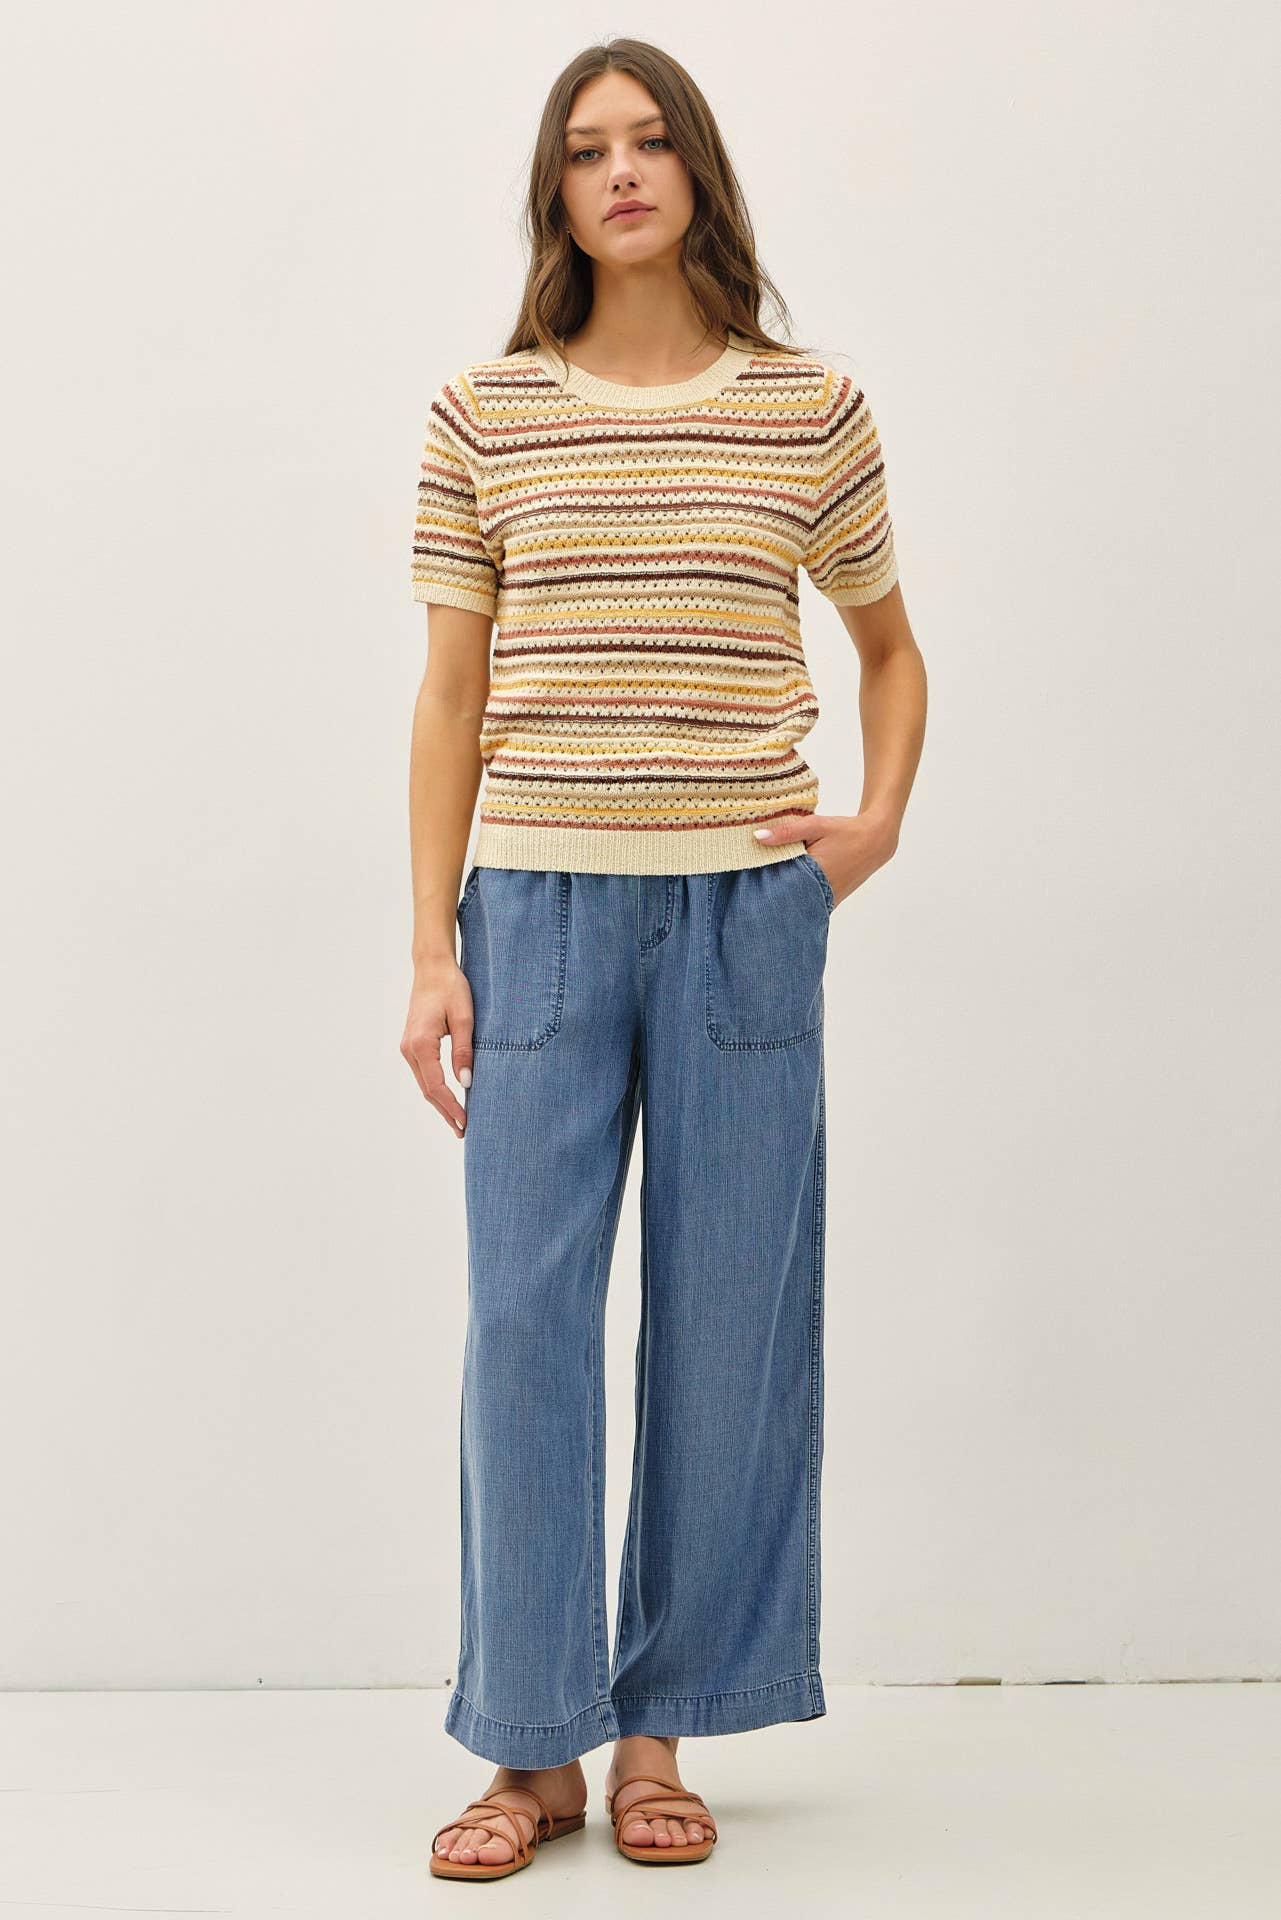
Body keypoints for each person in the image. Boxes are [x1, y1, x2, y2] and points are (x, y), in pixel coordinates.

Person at [402, 36, 927, 1883]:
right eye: (582, 150)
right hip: (535, 914)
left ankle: (658, 1736)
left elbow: (887, 647)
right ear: (553, 195)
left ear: (695, 169)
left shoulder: (808, 409)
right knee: (523, 1330)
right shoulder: (485, 411)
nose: (617, 172)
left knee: (725, 1331)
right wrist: (428, 949)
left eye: (646, 142)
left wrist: (875, 822)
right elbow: (449, 696)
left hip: (742, 915)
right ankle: (525, 1748)